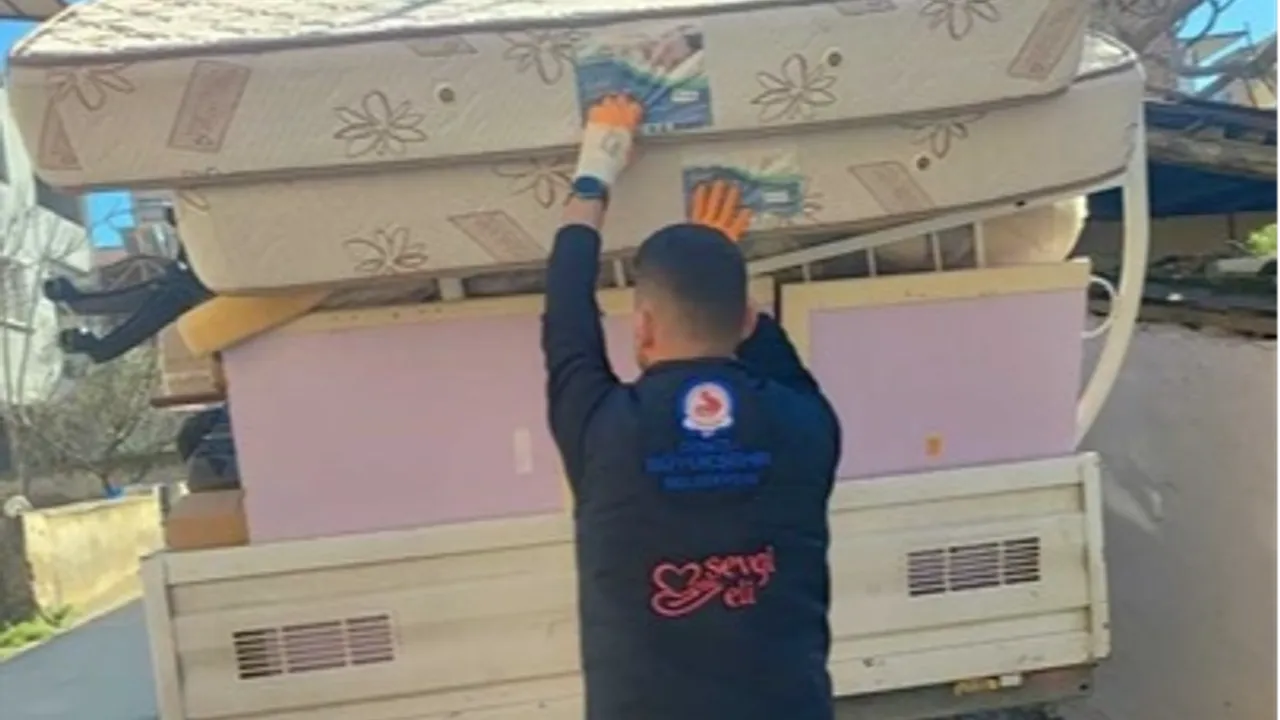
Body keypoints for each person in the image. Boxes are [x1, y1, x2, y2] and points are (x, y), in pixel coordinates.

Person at [542, 93, 843, 720]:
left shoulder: (601, 431)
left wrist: (600, 163)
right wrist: (713, 254)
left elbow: (567, 311)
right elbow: (765, 346)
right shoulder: (809, 424)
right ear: (745, 319)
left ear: (642, 326)